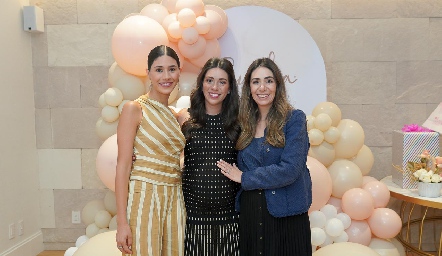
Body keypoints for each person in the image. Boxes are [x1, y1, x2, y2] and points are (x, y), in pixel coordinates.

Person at [217, 57, 312, 256]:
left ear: (278, 85)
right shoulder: (243, 124)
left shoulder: (294, 120)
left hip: (286, 216)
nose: (262, 88)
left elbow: (290, 169)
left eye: (268, 81)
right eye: (256, 82)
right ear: (249, 88)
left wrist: (245, 177)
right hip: (250, 215)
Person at [115, 45, 186, 256]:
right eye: (159, 69)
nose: (166, 76)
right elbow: (123, 166)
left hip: (175, 196)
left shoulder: (176, 116)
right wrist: (121, 224)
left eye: (172, 69)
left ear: (179, 72)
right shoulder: (134, 109)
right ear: (148, 73)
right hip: (145, 195)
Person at [180, 57, 241, 255]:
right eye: (209, 80)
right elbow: (162, 147)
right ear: (201, 84)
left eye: (222, 82)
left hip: (230, 221)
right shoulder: (185, 118)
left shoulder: (239, 124)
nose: (215, 87)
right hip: (193, 220)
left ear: (230, 88)